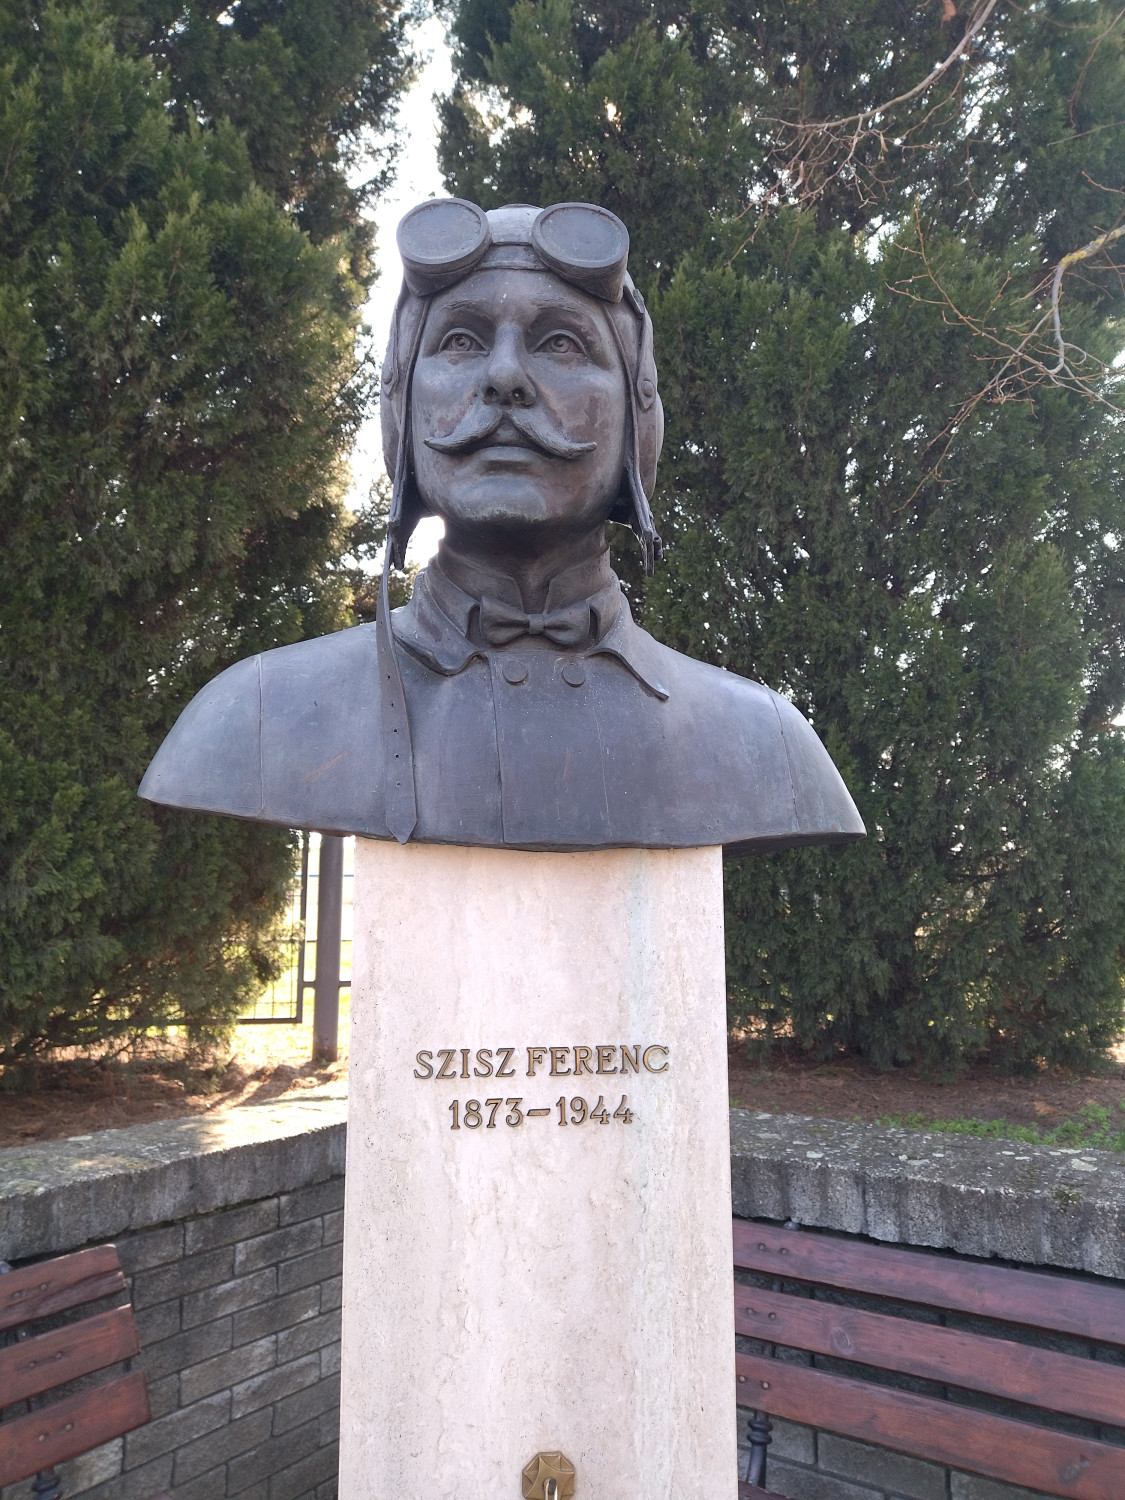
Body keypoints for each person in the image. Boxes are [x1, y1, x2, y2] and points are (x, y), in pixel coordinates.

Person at [140, 200, 864, 856]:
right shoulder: (257, 714)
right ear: (400, 405)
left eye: (561, 344)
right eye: (460, 341)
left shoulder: (765, 741)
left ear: (638, 415)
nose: (505, 377)